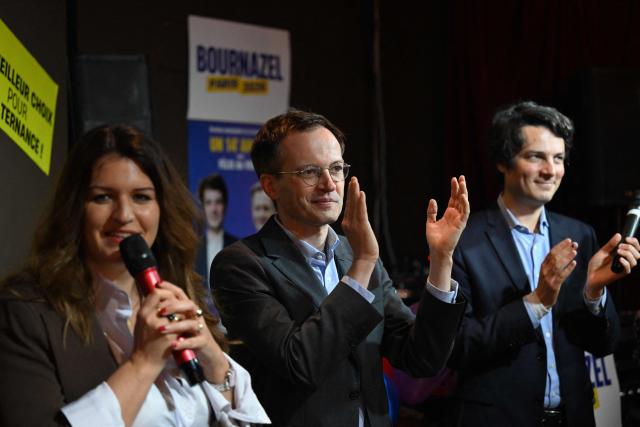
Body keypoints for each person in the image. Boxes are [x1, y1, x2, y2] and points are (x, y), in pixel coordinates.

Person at [211, 109, 468, 427]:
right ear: (270, 185)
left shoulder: (354, 252)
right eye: (309, 172)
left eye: (336, 169)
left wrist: (442, 259)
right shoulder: (242, 264)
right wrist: (361, 265)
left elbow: (421, 358)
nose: (329, 184)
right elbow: (300, 363)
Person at [0, 125, 270, 426]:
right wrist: (144, 362)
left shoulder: (177, 295)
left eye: (141, 197)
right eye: (103, 198)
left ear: (161, 208)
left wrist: (215, 363)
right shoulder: (27, 311)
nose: (124, 215)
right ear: (74, 209)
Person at [449, 101, 640, 426]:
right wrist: (535, 302)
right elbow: (454, 348)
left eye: (559, 158)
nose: (551, 170)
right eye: (536, 157)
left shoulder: (579, 234)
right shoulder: (463, 240)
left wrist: (593, 292)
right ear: (503, 162)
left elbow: (603, 345)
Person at [195, 174, 238, 282]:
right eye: (208, 203)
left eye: (218, 202)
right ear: (203, 207)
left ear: (225, 205)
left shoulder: (238, 248)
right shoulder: (194, 249)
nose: (214, 209)